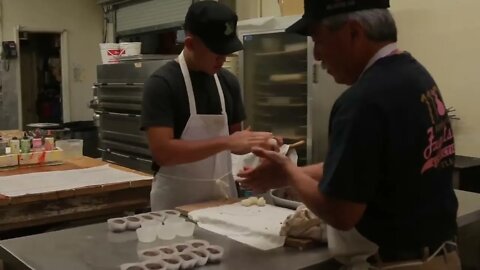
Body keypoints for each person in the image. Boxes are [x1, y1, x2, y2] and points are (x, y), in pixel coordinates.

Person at [238, 0, 460, 269]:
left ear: (353, 32)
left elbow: (341, 213)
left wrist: (289, 172)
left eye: (319, 40)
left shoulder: (362, 101)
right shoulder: (414, 75)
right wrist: (295, 173)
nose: (317, 56)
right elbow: (367, 166)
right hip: (439, 256)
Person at [141, 1, 275, 211]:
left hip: (222, 202)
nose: (223, 58)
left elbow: (236, 143)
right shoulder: (162, 84)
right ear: (191, 44)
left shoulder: (228, 82)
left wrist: (262, 147)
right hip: (174, 208)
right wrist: (227, 143)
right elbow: (163, 152)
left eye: (227, 51)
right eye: (216, 51)